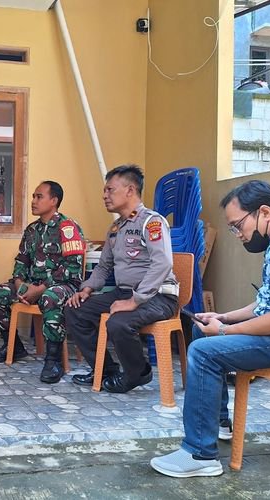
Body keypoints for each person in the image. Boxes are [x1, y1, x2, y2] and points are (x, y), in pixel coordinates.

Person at [151, 180, 270, 478]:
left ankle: (200, 454)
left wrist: (223, 332)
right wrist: (223, 318)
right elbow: (267, 304)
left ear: (264, 212)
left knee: (203, 351)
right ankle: (218, 423)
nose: (238, 235)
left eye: (238, 225)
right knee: (201, 330)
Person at [65, 164, 178, 394]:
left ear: (130, 190)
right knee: (75, 310)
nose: (104, 195)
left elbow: (163, 263)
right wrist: (87, 289)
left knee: (118, 323)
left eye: (110, 190)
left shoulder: (151, 222)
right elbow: (104, 267)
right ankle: (105, 370)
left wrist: (135, 300)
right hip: (124, 293)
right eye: (104, 191)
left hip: (158, 296)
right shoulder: (116, 229)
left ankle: (137, 373)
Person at [0, 180, 84, 384]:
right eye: (33, 196)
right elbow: (21, 261)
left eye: (39, 197)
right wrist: (20, 285)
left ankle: (53, 360)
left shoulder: (68, 227)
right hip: (32, 285)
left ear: (54, 201)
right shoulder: (32, 230)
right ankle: (13, 346)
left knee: (50, 297)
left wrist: (40, 288)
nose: (33, 201)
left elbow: (72, 268)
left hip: (62, 286)